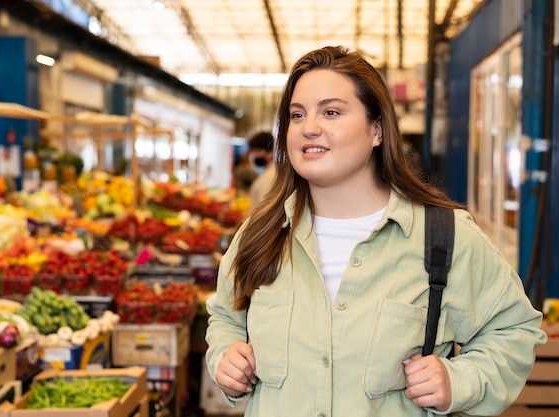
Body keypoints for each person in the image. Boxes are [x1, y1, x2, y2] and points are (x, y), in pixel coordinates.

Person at [205, 45, 547, 416]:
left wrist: (459, 381)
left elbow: (513, 331)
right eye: (297, 115)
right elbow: (225, 317)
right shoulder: (261, 233)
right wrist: (226, 356)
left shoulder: (444, 238)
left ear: (377, 131)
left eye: (331, 112)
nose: (310, 128)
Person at [246, 131, 275, 205]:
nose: (254, 154)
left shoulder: (270, 177)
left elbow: (264, 208)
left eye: (258, 150)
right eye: (253, 150)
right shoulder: (269, 171)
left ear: (270, 152)